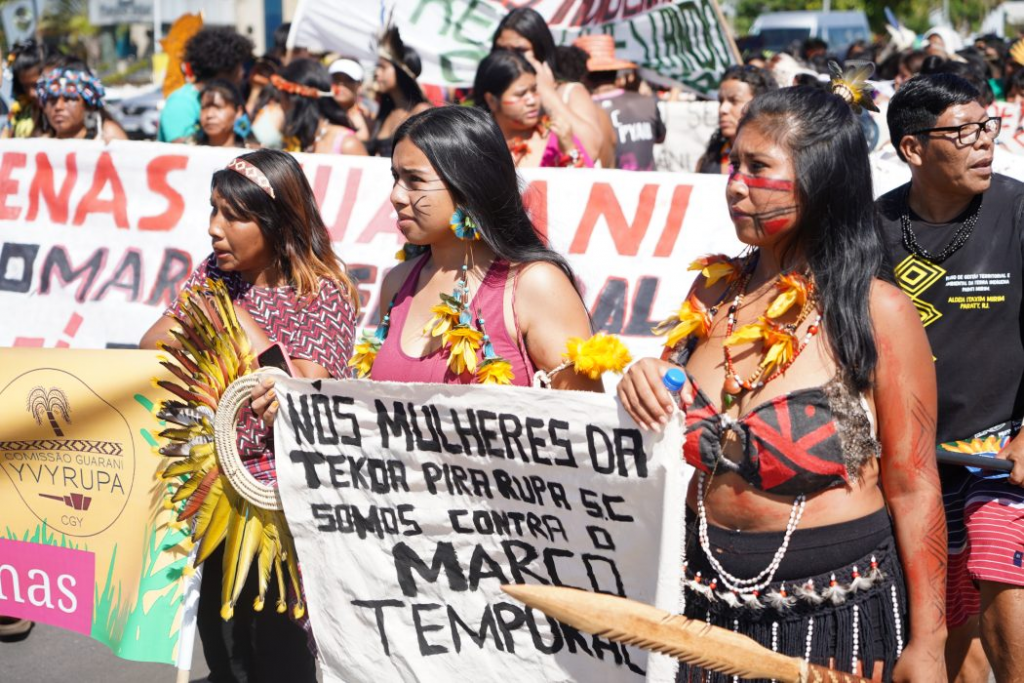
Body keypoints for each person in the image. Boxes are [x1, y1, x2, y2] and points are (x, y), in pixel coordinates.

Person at [618, 85, 947, 680]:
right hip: (702, 609)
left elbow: (915, 485)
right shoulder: (711, 292)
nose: (735, 185)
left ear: (820, 181)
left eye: (758, 167)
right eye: (733, 164)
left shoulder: (877, 310)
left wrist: (930, 641)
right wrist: (645, 377)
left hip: (838, 616)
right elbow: (669, 404)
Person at [140, 149, 359, 682]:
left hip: (282, 511)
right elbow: (152, 343)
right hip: (214, 496)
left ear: (278, 223)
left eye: (233, 216)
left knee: (281, 655)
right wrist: (220, 312)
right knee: (226, 652)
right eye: (213, 210)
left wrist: (234, 319)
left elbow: (302, 392)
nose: (214, 229)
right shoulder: (214, 274)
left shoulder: (323, 293)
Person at [879, 73, 1024, 683]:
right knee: (948, 637)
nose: (984, 141)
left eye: (988, 126)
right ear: (913, 148)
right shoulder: (871, 227)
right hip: (913, 462)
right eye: (964, 132)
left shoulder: (1018, 210)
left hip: (1003, 453)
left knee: (1002, 573)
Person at [342, 105, 601, 391]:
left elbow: (583, 413)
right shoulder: (397, 282)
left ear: (468, 185)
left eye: (415, 180)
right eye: (396, 177)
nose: (396, 196)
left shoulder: (534, 284)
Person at [492, 7, 605, 162]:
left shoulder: (568, 92)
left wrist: (547, 93)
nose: (508, 57)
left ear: (540, 51)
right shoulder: (490, 96)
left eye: (520, 50)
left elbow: (590, 152)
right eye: (501, 50)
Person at [474, 50, 592, 168]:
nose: (532, 101)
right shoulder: (474, 143)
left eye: (534, 90)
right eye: (521, 94)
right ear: (491, 101)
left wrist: (569, 150)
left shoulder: (559, 138)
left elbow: (587, 178)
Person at [577, 34, 665, 171]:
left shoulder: (584, 110)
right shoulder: (647, 102)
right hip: (649, 184)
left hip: (609, 184)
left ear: (583, 74)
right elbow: (660, 138)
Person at [158, 27, 254, 143]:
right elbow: (181, 148)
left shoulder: (232, 98)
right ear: (224, 67)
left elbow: (246, 136)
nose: (242, 72)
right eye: (239, 66)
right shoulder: (181, 102)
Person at [274, 59, 367, 155]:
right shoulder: (292, 137)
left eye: (282, 95)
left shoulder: (347, 144)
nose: (280, 103)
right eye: (336, 79)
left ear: (295, 100)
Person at [697, 65, 777, 174]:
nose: (722, 109)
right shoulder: (708, 160)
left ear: (760, 105)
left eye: (734, 100)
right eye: (721, 101)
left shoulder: (776, 157)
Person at [365, 25, 430, 157]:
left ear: (401, 71)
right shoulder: (385, 112)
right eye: (377, 67)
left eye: (383, 67)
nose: (377, 73)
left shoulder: (421, 111)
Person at [37, 64, 127, 142]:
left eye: (69, 99)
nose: (58, 107)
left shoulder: (107, 137)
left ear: (88, 106)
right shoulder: (40, 145)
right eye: (52, 99)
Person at [175, 79, 256, 148]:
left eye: (218, 107)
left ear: (238, 112)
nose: (209, 115)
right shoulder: (186, 149)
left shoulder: (250, 156)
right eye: (204, 108)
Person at [2, 39, 46, 138]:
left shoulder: (54, 111)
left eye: (36, 85)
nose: (31, 93)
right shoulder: (18, 111)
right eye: (25, 86)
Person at [328, 57, 371, 141]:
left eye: (348, 80)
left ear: (359, 86)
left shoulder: (367, 116)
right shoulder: (319, 112)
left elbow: (363, 139)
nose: (341, 84)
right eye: (336, 78)